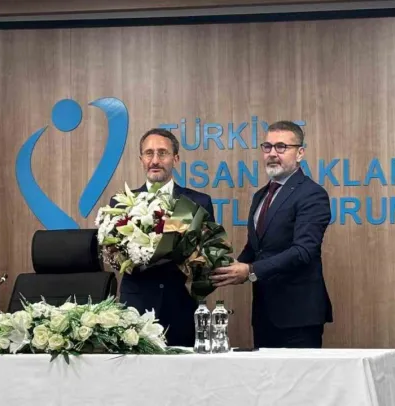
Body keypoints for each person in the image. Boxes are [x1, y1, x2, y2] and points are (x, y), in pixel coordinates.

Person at [211, 120, 332, 349]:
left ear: (300, 153)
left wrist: (250, 270)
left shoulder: (312, 194)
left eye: (281, 147)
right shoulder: (261, 195)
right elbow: (256, 249)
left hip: (298, 316)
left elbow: (303, 251)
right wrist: (224, 269)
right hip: (264, 314)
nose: (273, 154)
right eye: (267, 147)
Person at [110, 128, 215, 347]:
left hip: (180, 306)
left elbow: (208, 254)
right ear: (141, 159)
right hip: (136, 307)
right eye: (149, 153)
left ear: (175, 158)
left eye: (163, 153)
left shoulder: (197, 202)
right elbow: (114, 256)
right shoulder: (121, 203)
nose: (155, 160)